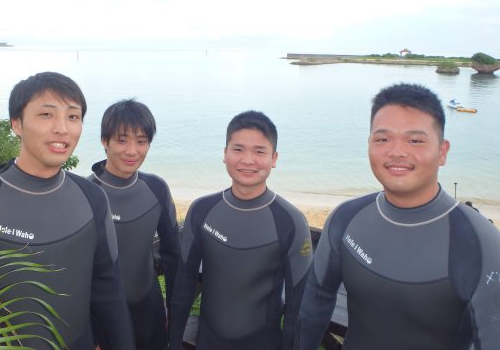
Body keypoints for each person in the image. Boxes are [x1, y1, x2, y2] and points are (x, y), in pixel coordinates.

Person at [0, 72, 135, 350]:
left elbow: (109, 296)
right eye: (46, 114)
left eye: (73, 117)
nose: (62, 128)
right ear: (16, 123)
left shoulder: (92, 198)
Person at [295, 83, 500, 350]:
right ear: (369, 144)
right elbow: (314, 304)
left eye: (415, 140)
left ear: (442, 151)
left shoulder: (480, 242)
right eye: (383, 139)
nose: (397, 151)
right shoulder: (346, 218)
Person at [168, 110, 313, 350]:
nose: (247, 160)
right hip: (208, 342)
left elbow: (297, 307)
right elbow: (184, 285)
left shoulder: (290, 222)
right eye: (238, 149)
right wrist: (173, 343)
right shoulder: (202, 211)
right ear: (225, 154)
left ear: (274, 158)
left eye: (259, 151)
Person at [88, 99, 180, 350]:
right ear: (104, 141)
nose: (132, 151)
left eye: (141, 141)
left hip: (150, 313)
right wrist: (90, 335)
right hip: (102, 322)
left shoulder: (156, 188)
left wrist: (174, 311)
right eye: (122, 140)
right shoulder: (87, 194)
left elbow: (173, 256)